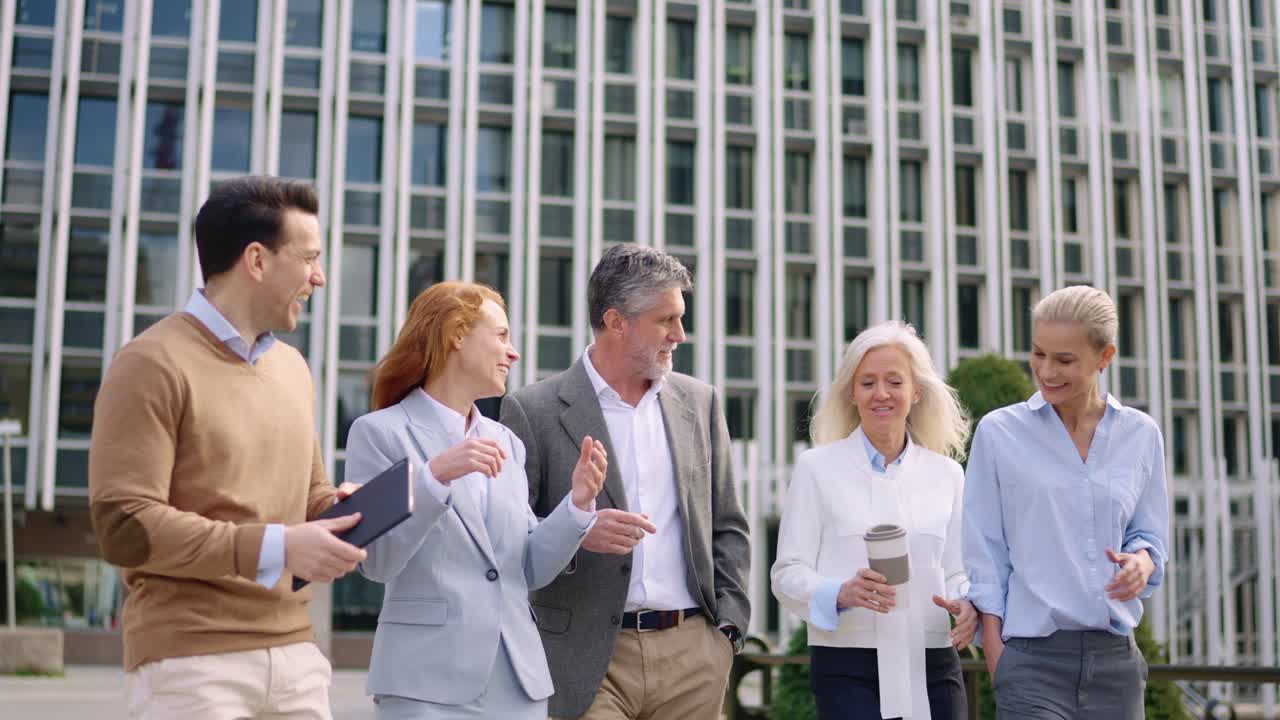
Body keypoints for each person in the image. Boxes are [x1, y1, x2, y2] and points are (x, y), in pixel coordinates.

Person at [89, 176, 368, 719]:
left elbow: (307, 493)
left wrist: (338, 512)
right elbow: (124, 526)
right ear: (257, 261)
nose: (320, 276)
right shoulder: (149, 364)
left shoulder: (293, 368)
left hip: (297, 661)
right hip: (191, 666)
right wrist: (278, 546)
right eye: (308, 257)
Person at [500, 243, 751, 719]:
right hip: (585, 659)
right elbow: (512, 538)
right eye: (666, 320)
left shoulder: (700, 403)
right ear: (617, 322)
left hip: (693, 656)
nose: (680, 334)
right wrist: (577, 531)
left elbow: (728, 525)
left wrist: (728, 631)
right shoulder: (532, 411)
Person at [345, 281, 607, 719]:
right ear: (456, 335)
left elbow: (527, 569)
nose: (514, 352)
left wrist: (577, 506)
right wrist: (434, 477)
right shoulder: (379, 433)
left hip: (517, 684)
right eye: (501, 335)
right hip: (423, 682)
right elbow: (376, 561)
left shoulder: (506, 442)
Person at [964, 285, 1170, 719]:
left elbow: (1149, 534)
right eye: (1038, 354)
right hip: (1030, 662)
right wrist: (998, 656)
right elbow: (984, 552)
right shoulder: (998, 433)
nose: (1046, 371)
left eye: (1064, 360)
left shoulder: (1141, 434)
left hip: (1116, 664)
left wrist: (1142, 563)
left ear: (1105, 357)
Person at [772, 320, 976, 720]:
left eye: (894, 381)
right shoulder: (816, 469)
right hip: (849, 666)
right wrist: (839, 592)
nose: (881, 393)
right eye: (867, 382)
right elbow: (786, 574)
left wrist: (967, 602)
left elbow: (956, 570)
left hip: (932, 659)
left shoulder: (947, 475)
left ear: (916, 391)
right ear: (852, 392)